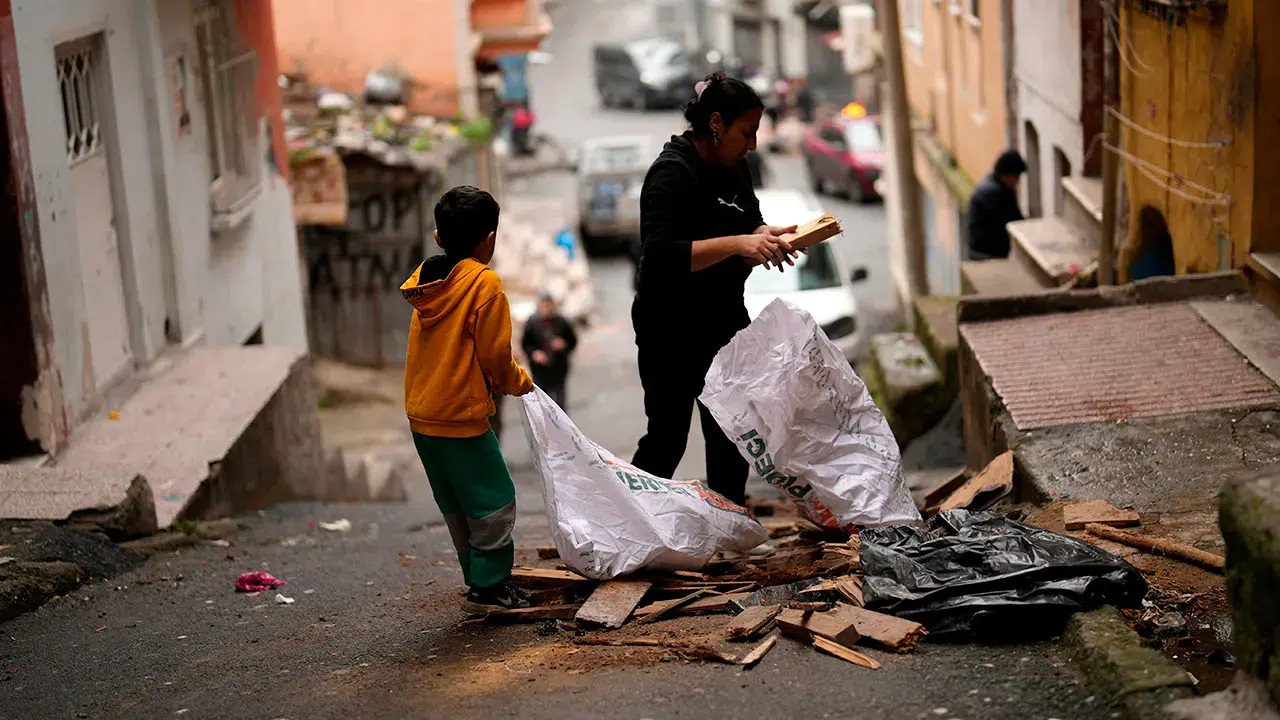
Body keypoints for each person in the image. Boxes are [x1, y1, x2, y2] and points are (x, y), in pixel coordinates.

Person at [631, 73, 799, 507]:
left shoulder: (734, 167)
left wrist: (766, 237)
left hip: (723, 322)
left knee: (731, 431)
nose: (753, 144)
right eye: (748, 132)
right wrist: (740, 244)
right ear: (717, 123)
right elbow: (664, 255)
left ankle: (725, 522)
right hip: (669, 327)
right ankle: (632, 523)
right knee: (667, 437)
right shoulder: (671, 173)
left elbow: (749, 223)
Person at [400, 185, 534, 612]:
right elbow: (495, 355)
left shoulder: (428, 282)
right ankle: (491, 588)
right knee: (494, 501)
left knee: (458, 504)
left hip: (423, 416)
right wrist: (517, 382)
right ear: (490, 239)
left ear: (438, 238)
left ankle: (478, 581)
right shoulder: (484, 285)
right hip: (461, 416)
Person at [965, 150, 1028, 261]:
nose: (1018, 181)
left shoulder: (1002, 188)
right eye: (1016, 177)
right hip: (985, 253)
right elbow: (1010, 221)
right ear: (1007, 175)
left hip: (990, 250)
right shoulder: (993, 193)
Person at [521, 293, 579, 411]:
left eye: (549, 305)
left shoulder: (562, 322)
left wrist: (563, 344)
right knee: (543, 405)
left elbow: (572, 341)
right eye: (544, 305)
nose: (547, 308)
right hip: (540, 370)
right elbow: (526, 344)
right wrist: (535, 354)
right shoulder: (532, 323)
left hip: (558, 368)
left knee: (560, 405)